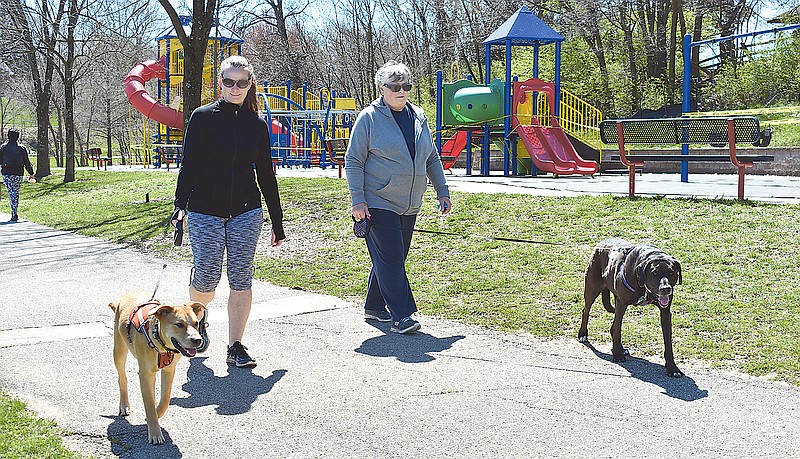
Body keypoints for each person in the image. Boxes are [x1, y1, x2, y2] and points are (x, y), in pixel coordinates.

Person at [171, 55, 285, 368]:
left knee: (241, 278)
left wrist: (277, 221)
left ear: (250, 85)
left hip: (246, 212)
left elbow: (265, 173)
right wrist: (180, 205)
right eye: (229, 82)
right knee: (207, 278)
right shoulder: (203, 117)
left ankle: (236, 346)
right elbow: (190, 165)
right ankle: (197, 318)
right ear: (220, 83)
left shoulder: (256, 125)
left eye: (242, 82)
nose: (236, 88)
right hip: (205, 209)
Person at [345, 60, 452, 334]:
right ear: (382, 88)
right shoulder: (369, 118)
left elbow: (431, 156)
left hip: (410, 203)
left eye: (406, 86)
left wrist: (442, 190)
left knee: (392, 257)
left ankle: (374, 305)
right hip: (378, 201)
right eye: (395, 86)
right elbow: (354, 160)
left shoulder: (418, 116)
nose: (401, 91)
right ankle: (401, 315)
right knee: (392, 257)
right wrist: (358, 199)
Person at [0, 129, 35, 222]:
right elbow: (27, 162)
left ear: (8, 136)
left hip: (7, 172)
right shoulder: (22, 148)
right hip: (19, 173)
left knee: (12, 192)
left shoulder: (3, 147)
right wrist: (31, 173)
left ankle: (14, 213)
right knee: (15, 192)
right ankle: (14, 212)